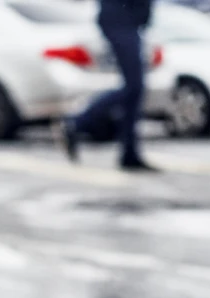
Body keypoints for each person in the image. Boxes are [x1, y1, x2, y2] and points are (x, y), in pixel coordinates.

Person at [58, 0, 156, 171]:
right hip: (120, 19)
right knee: (134, 87)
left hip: (127, 20)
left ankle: (129, 153)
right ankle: (76, 122)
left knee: (134, 90)